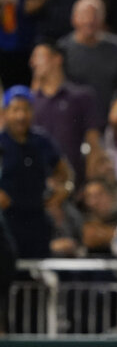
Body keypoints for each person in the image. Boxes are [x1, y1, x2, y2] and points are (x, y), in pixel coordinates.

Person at [0, 86, 71, 258]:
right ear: (6, 112)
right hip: (7, 219)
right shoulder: (1, 142)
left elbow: (64, 173)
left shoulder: (42, 141)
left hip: (37, 218)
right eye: (15, 109)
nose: (21, 116)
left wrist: (61, 192)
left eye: (26, 109)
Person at [29, 40, 104, 183]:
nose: (32, 63)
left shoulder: (82, 96)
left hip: (76, 180)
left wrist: (91, 180)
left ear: (57, 59)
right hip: (38, 182)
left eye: (37, 56)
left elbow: (93, 141)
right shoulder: (30, 101)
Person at [58, 0, 117, 121]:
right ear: (73, 18)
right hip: (72, 121)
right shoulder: (62, 49)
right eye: (84, 15)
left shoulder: (116, 47)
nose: (90, 20)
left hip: (107, 121)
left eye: (95, 15)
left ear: (103, 19)